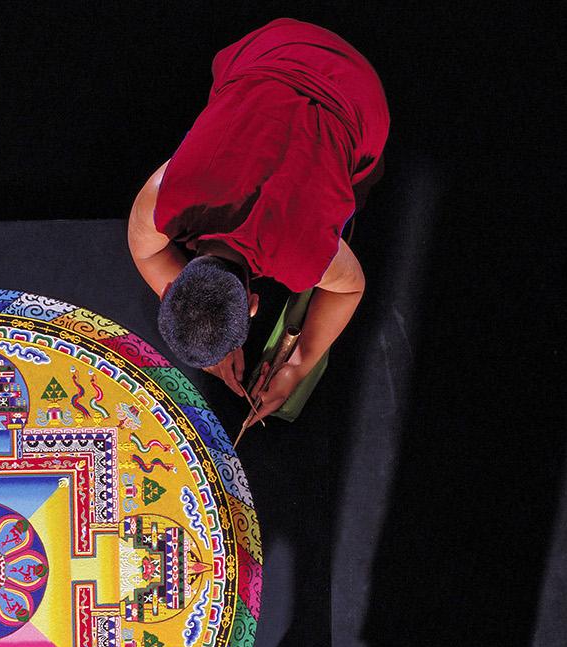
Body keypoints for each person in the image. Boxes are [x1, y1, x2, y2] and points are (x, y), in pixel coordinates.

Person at [127, 19, 389, 421]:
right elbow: (146, 254)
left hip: (354, 91)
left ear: (252, 305)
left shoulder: (301, 256)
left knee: (362, 185)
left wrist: (299, 366)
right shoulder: (165, 198)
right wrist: (212, 325)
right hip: (275, 43)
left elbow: (350, 288)